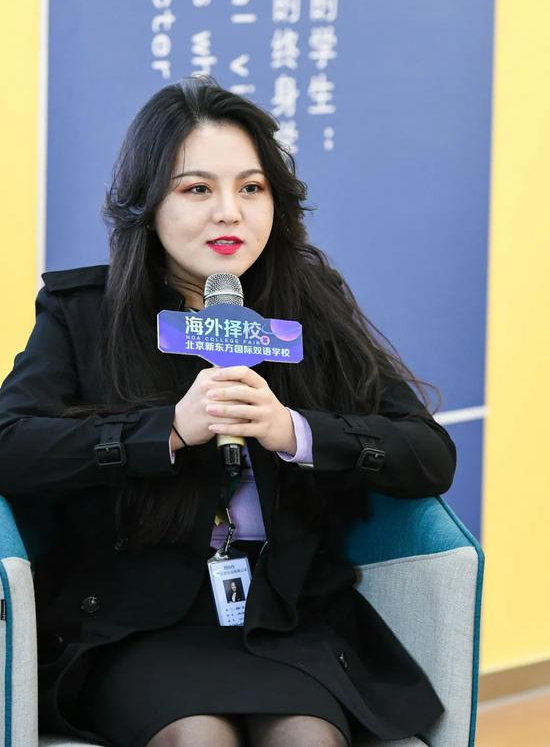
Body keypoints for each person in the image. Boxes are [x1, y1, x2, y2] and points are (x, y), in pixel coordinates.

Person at [0, 75, 457, 747]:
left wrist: (294, 430)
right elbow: (12, 445)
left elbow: (428, 454)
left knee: (307, 738)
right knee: (199, 738)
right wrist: (167, 431)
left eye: (251, 188)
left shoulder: (310, 307)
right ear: (147, 202)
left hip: (285, 620)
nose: (229, 213)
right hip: (137, 627)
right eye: (196, 189)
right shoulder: (84, 313)